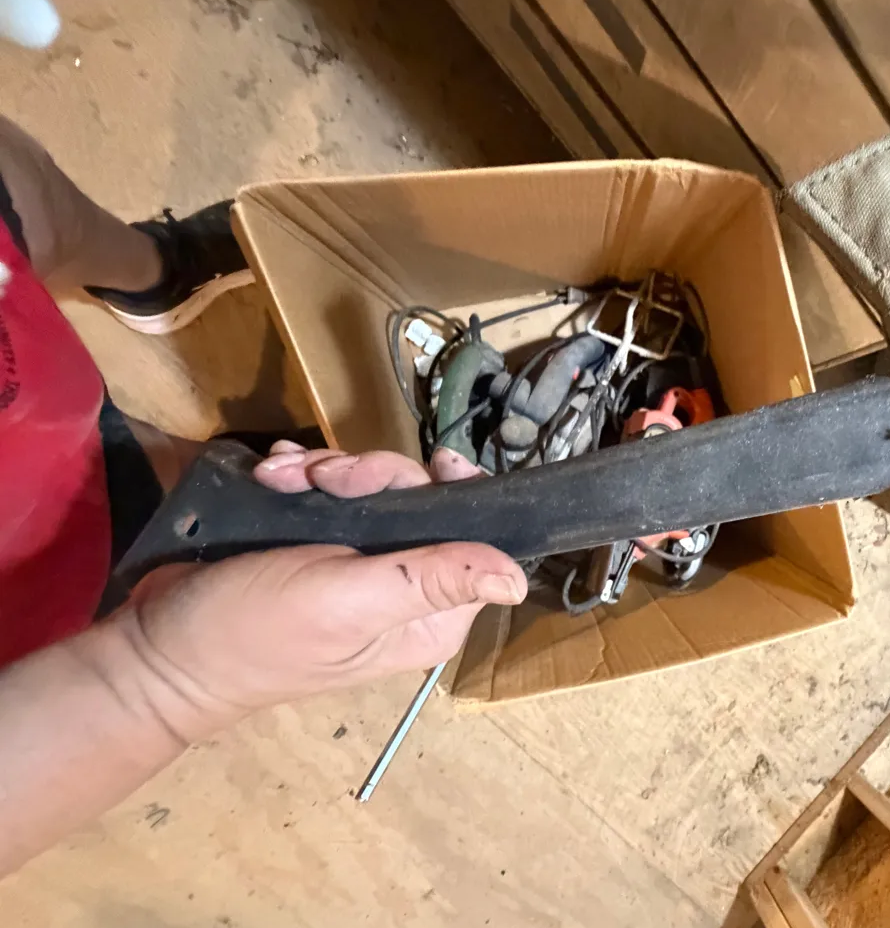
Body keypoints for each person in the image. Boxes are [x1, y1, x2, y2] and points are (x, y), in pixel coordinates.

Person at [0, 114, 525, 876]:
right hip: (43, 564)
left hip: (25, 404)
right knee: (144, 499)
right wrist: (162, 677)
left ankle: (157, 274)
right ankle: (184, 473)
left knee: (26, 198)